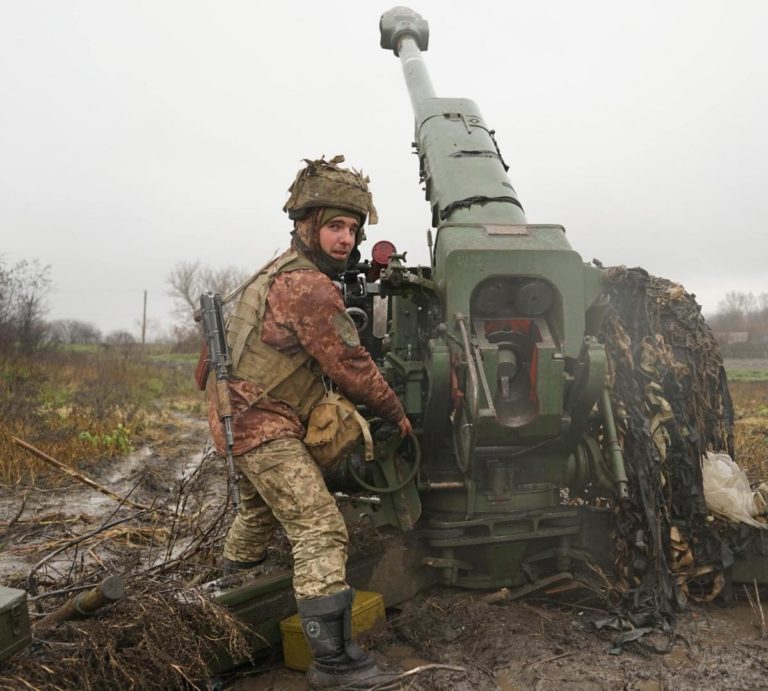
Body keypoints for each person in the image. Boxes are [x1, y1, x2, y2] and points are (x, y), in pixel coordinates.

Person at [206, 155, 411, 689]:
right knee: (319, 527)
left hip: (235, 417)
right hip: (261, 424)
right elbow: (351, 365)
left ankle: (226, 601)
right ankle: (332, 662)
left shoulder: (272, 272)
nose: (345, 240)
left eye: (352, 229)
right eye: (335, 227)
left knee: (257, 513)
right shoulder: (309, 287)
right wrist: (395, 413)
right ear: (305, 226)